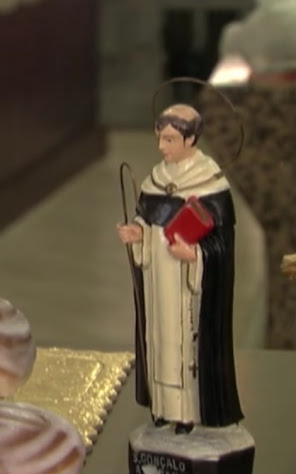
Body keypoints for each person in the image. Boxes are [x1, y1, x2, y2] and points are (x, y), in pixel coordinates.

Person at [117, 104, 243, 434]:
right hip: (158, 282)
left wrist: (197, 255)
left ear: (191, 139)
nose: (162, 146)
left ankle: (186, 413)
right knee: (158, 341)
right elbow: (148, 219)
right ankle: (162, 408)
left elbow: (222, 246)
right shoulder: (155, 180)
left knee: (184, 348)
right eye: (160, 138)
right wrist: (138, 234)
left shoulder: (210, 183)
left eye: (170, 139)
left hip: (188, 291)